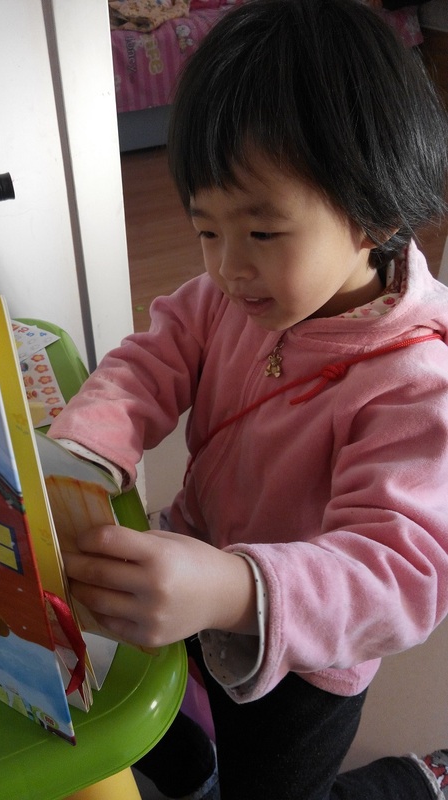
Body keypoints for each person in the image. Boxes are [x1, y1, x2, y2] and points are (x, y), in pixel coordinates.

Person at [48, 0, 448, 797]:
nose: (228, 267)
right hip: (194, 555)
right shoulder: (229, 296)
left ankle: (408, 781)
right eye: (207, 230)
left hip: (305, 658)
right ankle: (195, 768)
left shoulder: (416, 383)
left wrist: (233, 589)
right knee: (154, 699)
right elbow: (149, 361)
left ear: (374, 214)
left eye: (262, 233)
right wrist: (87, 446)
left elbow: (402, 574)